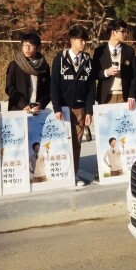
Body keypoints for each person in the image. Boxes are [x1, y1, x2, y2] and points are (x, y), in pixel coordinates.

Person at [50, 25, 97, 186]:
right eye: (80, 40)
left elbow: (91, 88)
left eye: (85, 40)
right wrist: (56, 108)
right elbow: (54, 85)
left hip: (80, 108)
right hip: (63, 108)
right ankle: (62, 174)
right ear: (72, 41)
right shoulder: (60, 58)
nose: (84, 43)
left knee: (77, 143)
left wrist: (89, 111)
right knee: (63, 142)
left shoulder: (88, 61)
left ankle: (74, 174)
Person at [92, 19, 136, 110]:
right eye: (123, 31)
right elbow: (94, 73)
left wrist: (131, 96)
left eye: (126, 31)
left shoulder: (129, 51)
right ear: (113, 32)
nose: (125, 34)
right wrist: (106, 72)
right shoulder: (100, 51)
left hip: (124, 96)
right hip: (106, 96)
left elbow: (134, 75)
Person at [5, 32, 51, 115]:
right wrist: (23, 105)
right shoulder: (15, 65)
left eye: (31, 45)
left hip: (37, 111)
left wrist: (40, 104)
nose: (27, 48)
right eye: (25, 45)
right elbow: (10, 88)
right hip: (18, 110)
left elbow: (48, 90)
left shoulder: (44, 67)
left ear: (37, 47)